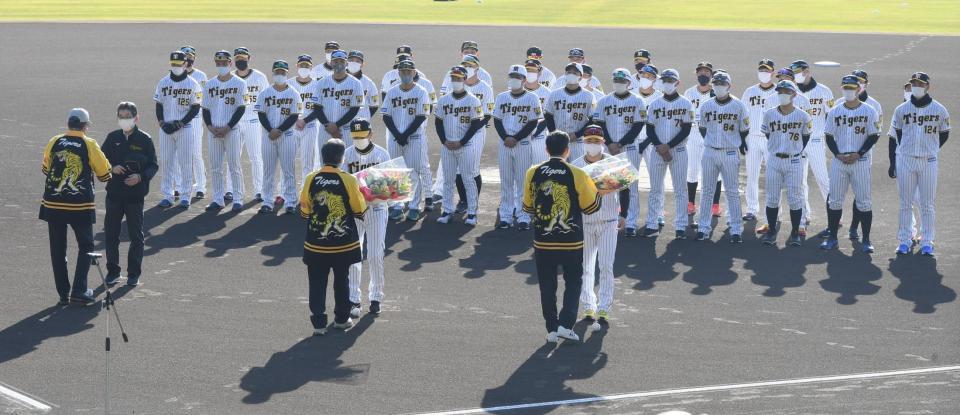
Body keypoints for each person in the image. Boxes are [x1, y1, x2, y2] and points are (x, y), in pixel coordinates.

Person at [522, 131, 603, 343]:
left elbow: (528, 207)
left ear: (546, 149)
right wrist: (599, 190)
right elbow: (591, 207)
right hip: (571, 241)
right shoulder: (577, 173)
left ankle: (551, 328)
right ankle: (566, 325)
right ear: (568, 150)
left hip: (543, 241)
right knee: (574, 282)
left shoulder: (533, 172)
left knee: (547, 285)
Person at [40, 108, 112, 305]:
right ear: (85, 126)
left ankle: (63, 293)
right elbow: (105, 174)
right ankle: (79, 290)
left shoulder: (55, 141)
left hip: (53, 204)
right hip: (79, 205)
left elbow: (46, 168)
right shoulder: (89, 143)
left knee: (57, 248)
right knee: (86, 246)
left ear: (68, 124)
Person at [299, 139, 367, 335]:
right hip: (342, 245)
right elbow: (359, 209)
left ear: (322, 157)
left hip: (316, 244)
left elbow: (305, 210)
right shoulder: (348, 179)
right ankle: (341, 319)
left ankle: (319, 324)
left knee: (316, 282)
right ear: (342, 158)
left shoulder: (311, 178)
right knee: (342, 281)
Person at [890, 72, 949, 256]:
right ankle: (904, 240)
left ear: (927, 86)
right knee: (905, 203)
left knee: (927, 204)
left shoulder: (939, 109)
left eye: (920, 84)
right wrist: (905, 151)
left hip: (928, 161)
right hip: (906, 160)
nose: (916, 86)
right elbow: (897, 133)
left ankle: (927, 241)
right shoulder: (901, 109)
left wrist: (931, 148)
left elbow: (944, 133)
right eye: (914, 83)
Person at [820, 75, 880, 252]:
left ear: (859, 89)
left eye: (852, 88)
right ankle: (832, 238)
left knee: (864, 202)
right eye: (845, 87)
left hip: (860, 161)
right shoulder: (835, 111)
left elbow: (874, 135)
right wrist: (837, 154)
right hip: (839, 162)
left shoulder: (869, 111)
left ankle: (866, 240)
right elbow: (829, 135)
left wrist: (859, 153)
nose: (848, 91)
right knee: (834, 201)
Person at [102, 102, 157, 286]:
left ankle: (133, 274)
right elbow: (100, 160)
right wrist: (112, 167)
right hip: (114, 194)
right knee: (111, 235)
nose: (124, 120)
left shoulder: (145, 139)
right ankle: (113, 272)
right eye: (121, 116)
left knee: (136, 236)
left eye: (127, 116)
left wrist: (140, 177)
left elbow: (153, 165)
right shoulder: (112, 138)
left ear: (136, 118)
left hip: (135, 196)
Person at [340, 119, 391, 316]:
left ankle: (376, 296)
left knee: (376, 254)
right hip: (354, 211)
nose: (359, 140)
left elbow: (390, 185)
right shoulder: (346, 154)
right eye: (355, 137)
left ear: (370, 134)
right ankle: (353, 299)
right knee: (354, 254)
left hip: (377, 209)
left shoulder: (382, 154)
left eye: (362, 136)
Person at [695, 71, 750, 243]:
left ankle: (736, 229)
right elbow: (702, 128)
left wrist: (737, 142)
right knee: (707, 191)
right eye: (716, 83)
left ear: (729, 86)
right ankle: (703, 228)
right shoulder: (706, 105)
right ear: (712, 85)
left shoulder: (739, 105)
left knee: (732, 191)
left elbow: (744, 129)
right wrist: (712, 141)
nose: (719, 86)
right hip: (710, 151)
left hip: (730, 152)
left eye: (722, 83)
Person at [572, 126, 619, 324]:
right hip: (585, 222)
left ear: (603, 143)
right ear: (584, 142)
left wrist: (624, 214)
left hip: (609, 221)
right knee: (586, 266)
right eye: (589, 141)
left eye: (596, 141)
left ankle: (604, 307)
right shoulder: (575, 166)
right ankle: (588, 306)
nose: (592, 145)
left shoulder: (613, 163)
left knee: (606, 266)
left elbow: (624, 190)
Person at [592, 68, 646, 236]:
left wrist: (620, 143)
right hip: (609, 149)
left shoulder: (637, 100)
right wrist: (610, 143)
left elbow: (638, 126)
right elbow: (600, 124)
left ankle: (630, 222)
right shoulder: (604, 100)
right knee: (608, 186)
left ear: (629, 83)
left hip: (629, 148)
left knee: (630, 186)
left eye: (622, 81)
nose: (619, 83)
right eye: (616, 80)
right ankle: (609, 220)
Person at [759, 81, 811, 247]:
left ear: (794, 94)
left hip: (794, 160)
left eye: (786, 92)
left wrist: (793, 149)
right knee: (772, 197)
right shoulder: (769, 114)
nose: (782, 94)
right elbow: (768, 134)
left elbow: (806, 137)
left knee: (795, 198)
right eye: (780, 91)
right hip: (774, 159)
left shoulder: (803, 116)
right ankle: (771, 231)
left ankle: (795, 232)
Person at [644, 69, 693, 239]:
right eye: (664, 80)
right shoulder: (654, 104)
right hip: (657, 151)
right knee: (655, 189)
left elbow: (686, 130)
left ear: (677, 82)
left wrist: (668, 146)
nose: (667, 83)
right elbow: (649, 129)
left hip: (679, 150)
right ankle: (652, 224)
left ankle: (680, 226)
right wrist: (660, 146)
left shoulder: (686, 103)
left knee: (680, 189)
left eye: (670, 80)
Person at [381, 59, 432, 222]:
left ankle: (414, 206)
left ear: (414, 72)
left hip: (415, 138)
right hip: (395, 137)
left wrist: (405, 135)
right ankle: (397, 206)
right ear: (399, 73)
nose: (406, 74)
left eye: (409, 71)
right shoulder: (392, 92)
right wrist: (398, 135)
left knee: (413, 172)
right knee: (396, 172)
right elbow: (386, 115)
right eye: (403, 71)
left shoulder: (421, 92)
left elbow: (421, 116)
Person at [434, 66, 485, 225]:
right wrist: (444, 141)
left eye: (458, 78)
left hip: (466, 146)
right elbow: (438, 122)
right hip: (447, 146)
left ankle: (472, 213)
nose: (455, 81)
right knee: (448, 180)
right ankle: (447, 210)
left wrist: (461, 142)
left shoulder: (473, 100)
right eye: (453, 78)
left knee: (468, 179)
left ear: (464, 79)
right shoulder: (444, 100)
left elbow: (475, 125)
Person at [493, 64, 543, 230]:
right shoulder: (501, 97)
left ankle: (524, 216)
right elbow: (497, 120)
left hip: (523, 144)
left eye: (517, 77)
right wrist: (506, 138)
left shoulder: (532, 98)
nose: (514, 80)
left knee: (523, 182)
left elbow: (533, 122)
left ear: (524, 79)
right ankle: (506, 216)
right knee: (506, 181)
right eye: (512, 77)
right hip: (504, 144)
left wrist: (515, 138)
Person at [790, 60, 834, 237]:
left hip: (816, 140)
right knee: (800, 181)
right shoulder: (792, 90)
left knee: (823, 179)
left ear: (807, 71)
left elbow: (831, 116)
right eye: (794, 72)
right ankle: (803, 216)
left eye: (798, 71)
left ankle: (834, 213)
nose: (796, 75)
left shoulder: (824, 91)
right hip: (798, 141)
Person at [155, 50, 202, 208]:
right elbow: (159, 104)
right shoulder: (163, 82)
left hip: (185, 128)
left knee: (185, 162)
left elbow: (195, 108)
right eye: (173, 64)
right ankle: (168, 195)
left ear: (185, 64)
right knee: (167, 162)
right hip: (166, 129)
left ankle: (185, 197)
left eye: (179, 64)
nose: (176, 66)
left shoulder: (193, 84)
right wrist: (162, 123)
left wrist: (181, 123)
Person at [201, 50, 247, 212]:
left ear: (230, 63)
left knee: (234, 165)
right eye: (218, 63)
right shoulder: (209, 84)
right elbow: (205, 108)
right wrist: (210, 127)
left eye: (224, 63)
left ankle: (238, 199)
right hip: (214, 131)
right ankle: (218, 199)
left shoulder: (240, 83)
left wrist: (228, 127)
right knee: (215, 167)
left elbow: (241, 108)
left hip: (232, 130)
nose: (221, 66)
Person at [256, 60, 302, 214]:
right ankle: (267, 201)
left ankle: (290, 202)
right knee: (268, 170)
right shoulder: (265, 93)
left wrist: (279, 130)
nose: (280, 74)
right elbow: (261, 114)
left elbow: (294, 116)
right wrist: (271, 130)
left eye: (283, 72)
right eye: (277, 72)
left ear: (287, 73)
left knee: (288, 170)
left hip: (287, 136)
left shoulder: (294, 94)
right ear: (273, 73)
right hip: (268, 136)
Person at [229, 47, 268, 204]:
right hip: (235, 122)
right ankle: (230, 190)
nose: (241, 60)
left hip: (253, 121)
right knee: (233, 157)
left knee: (256, 156)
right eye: (238, 58)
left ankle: (259, 190)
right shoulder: (230, 77)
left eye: (243, 58)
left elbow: (267, 99)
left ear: (249, 58)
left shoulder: (259, 77)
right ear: (234, 60)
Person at [848, 69, 883, 240]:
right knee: (835, 193)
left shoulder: (874, 105)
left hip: (863, 156)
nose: (858, 83)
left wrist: (860, 152)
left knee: (860, 194)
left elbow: (876, 132)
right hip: (842, 155)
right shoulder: (841, 102)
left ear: (867, 84)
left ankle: (854, 227)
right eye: (855, 80)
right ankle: (832, 227)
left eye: (861, 81)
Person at [683, 61, 721, 219]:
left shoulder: (717, 92)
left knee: (714, 171)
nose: (703, 74)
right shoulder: (689, 93)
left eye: (706, 72)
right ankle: (691, 203)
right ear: (696, 74)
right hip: (693, 134)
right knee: (692, 170)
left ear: (711, 74)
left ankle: (715, 205)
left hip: (711, 134)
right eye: (700, 72)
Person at [742, 59, 777, 225]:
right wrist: (742, 138)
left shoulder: (779, 91)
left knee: (774, 177)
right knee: (752, 176)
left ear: (773, 73)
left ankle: (775, 209)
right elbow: (742, 115)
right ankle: (751, 209)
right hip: (753, 138)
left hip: (772, 139)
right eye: (761, 70)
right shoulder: (750, 91)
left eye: (767, 70)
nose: (764, 73)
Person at [306, 49, 364, 149]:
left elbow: (355, 109)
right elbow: (317, 107)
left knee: (346, 158)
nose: (338, 64)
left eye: (341, 61)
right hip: (325, 129)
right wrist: (328, 126)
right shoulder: (322, 82)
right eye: (336, 61)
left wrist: (336, 126)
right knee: (324, 158)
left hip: (345, 130)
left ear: (346, 63)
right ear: (331, 63)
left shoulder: (356, 83)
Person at [544, 63, 596, 163]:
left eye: (575, 73)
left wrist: (577, 134)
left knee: (579, 168)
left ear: (580, 77)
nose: (571, 74)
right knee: (558, 169)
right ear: (565, 74)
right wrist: (554, 133)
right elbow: (548, 116)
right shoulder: (554, 94)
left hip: (578, 141)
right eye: (569, 72)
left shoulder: (589, 96)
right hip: (558, 141)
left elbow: (593, 120)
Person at [179, 45, 208, 201]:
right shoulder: (174, 75)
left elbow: (205, 98)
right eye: (185, 56)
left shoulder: (201, 75)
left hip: (195, 118)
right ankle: (179, 186)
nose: (188, 59)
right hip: (178, 118)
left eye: (190, 57)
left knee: (196, 153)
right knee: (179, 153)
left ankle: (201, 186)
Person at [288, 54, 321, 190]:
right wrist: (296, 119)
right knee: (287, 161)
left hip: (310, 126)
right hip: (291, 126)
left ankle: (305, 191)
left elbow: (319, 108)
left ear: (311, 67)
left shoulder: (317, 85)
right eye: (301, 65)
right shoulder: (288, 84)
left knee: (307, 162)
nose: (304, 67)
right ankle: (284, 192)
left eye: (307, 66)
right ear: (297, 66)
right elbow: (284, 105)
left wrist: (305, 120)